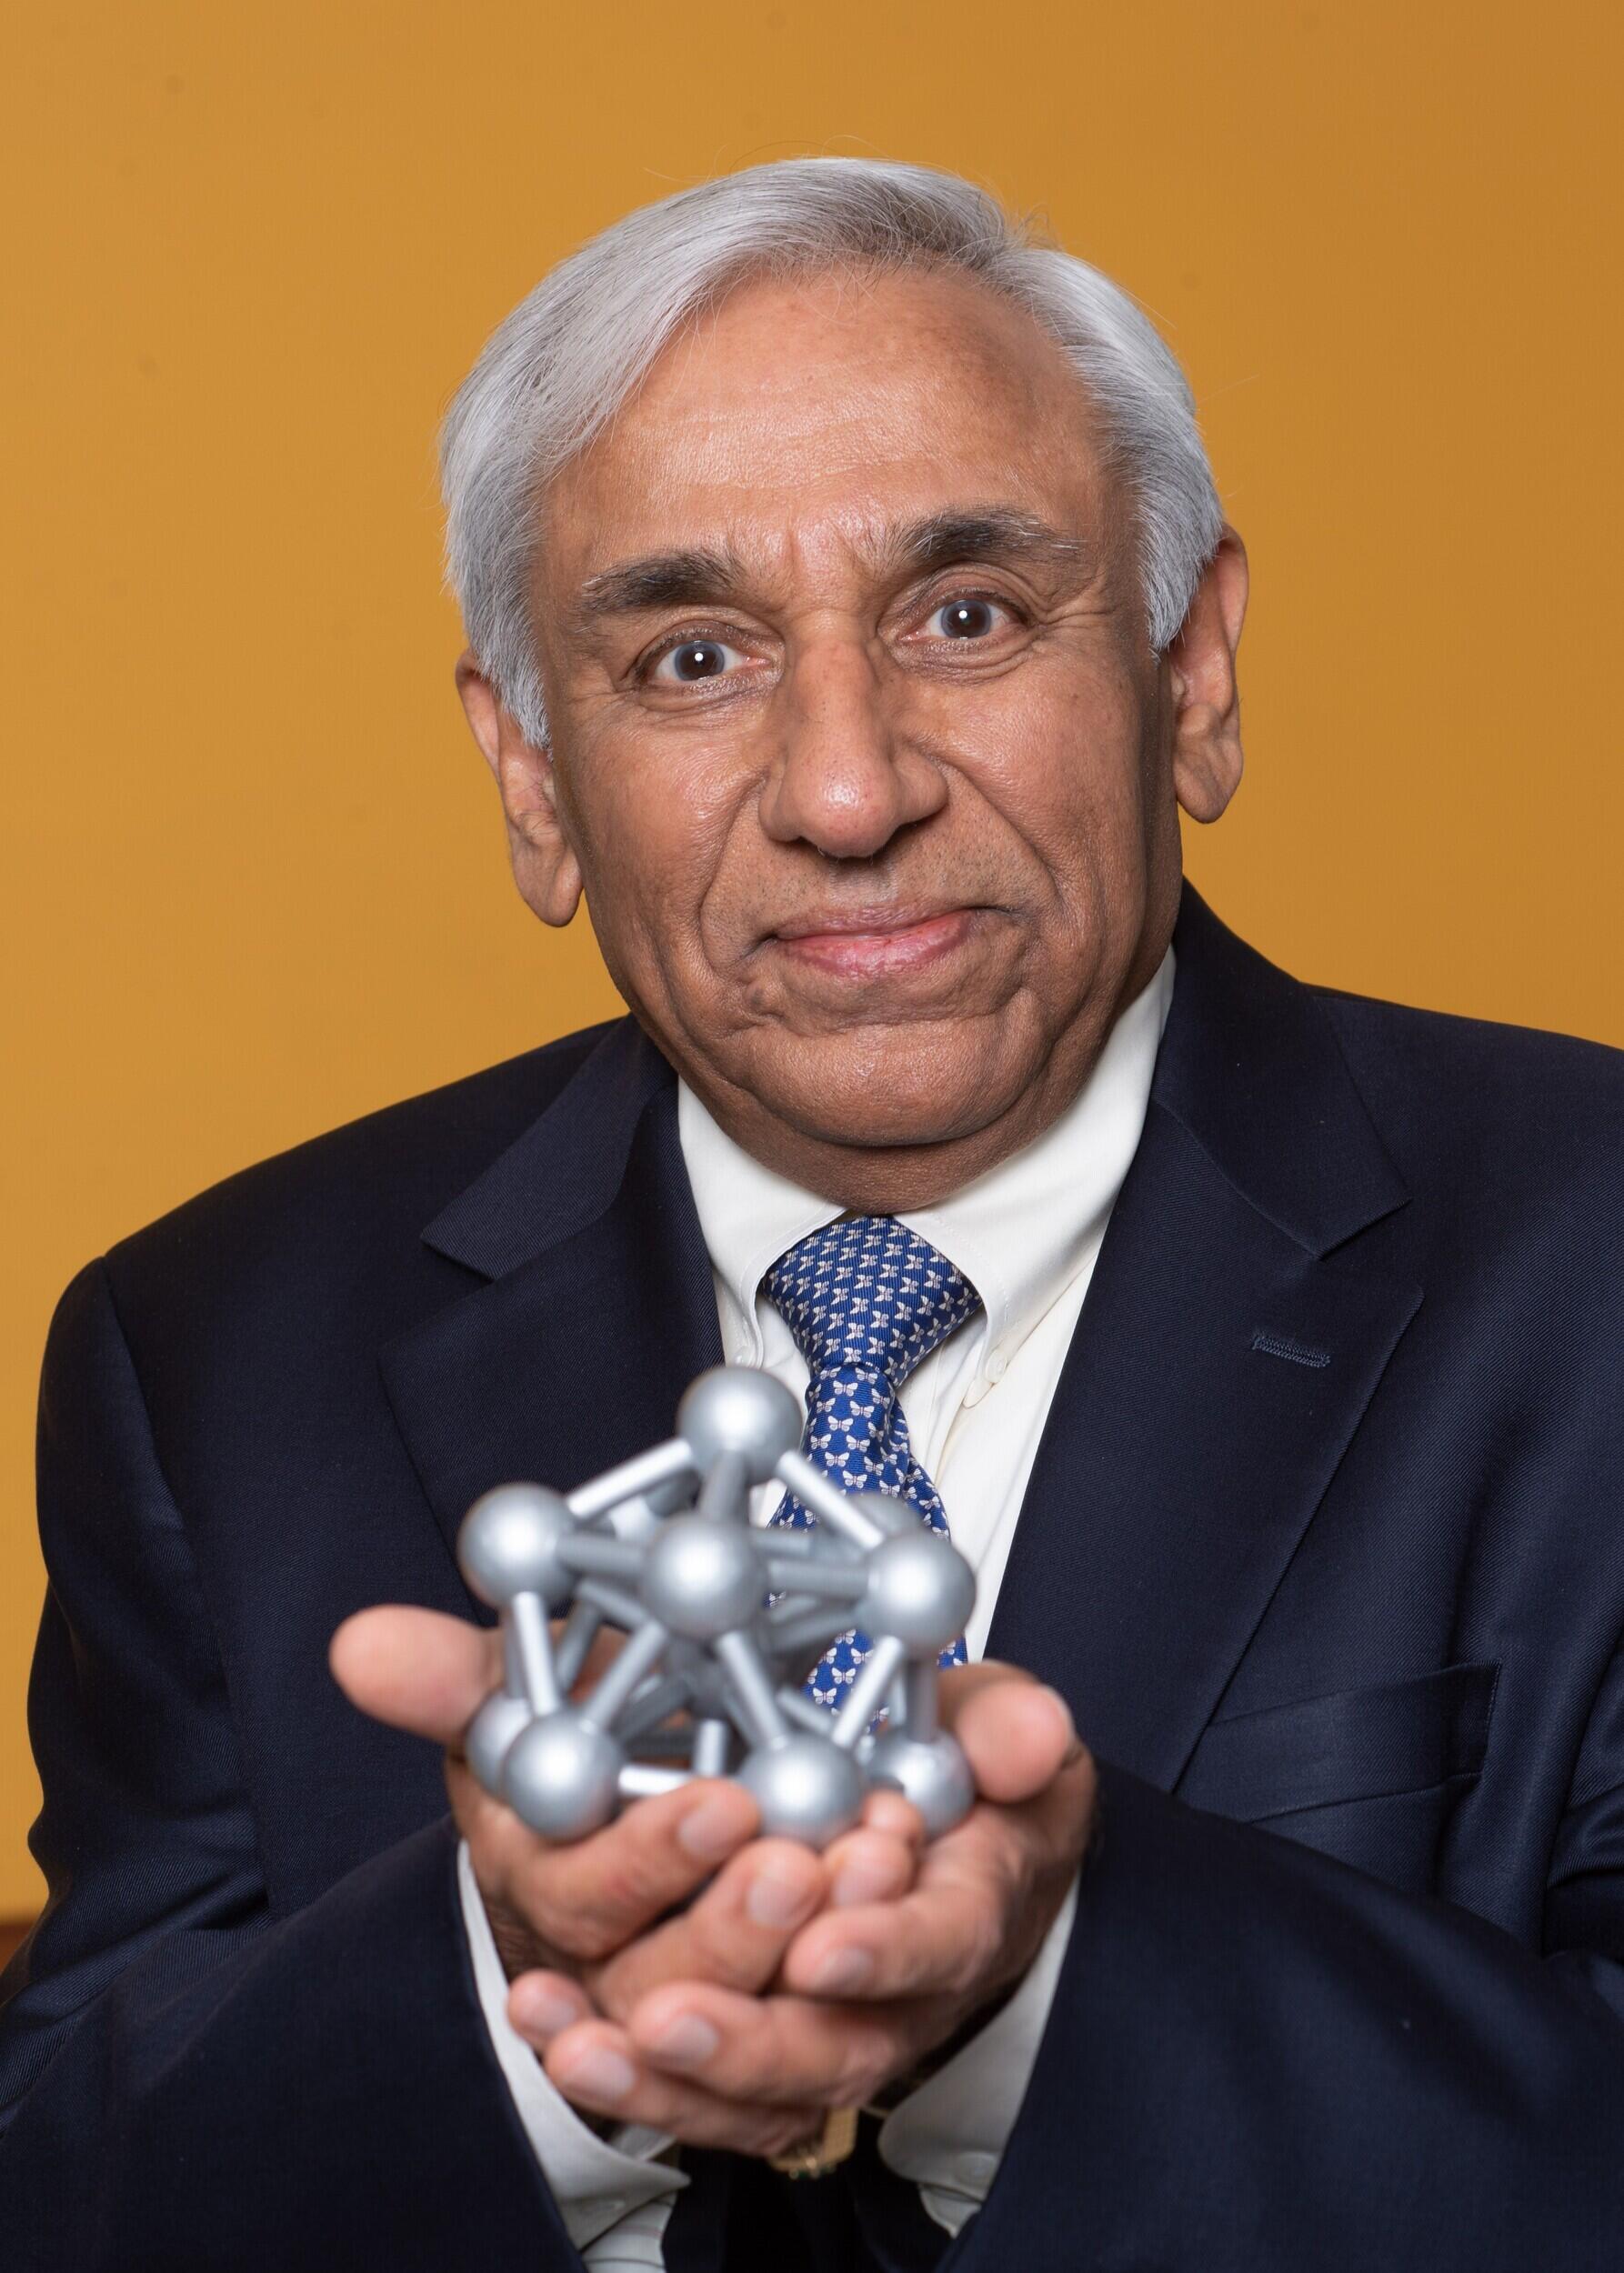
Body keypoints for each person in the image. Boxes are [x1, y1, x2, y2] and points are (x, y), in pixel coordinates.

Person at [2, 156, 1621, 2273]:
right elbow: (65, 2182)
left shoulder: (1585, 1269)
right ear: (529, 781)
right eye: (690, 655)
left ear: (1192, 668)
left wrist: (1033, 1974)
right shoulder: (212, 1346)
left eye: (963, 614)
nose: (845, 790)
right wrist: (530, 1996)